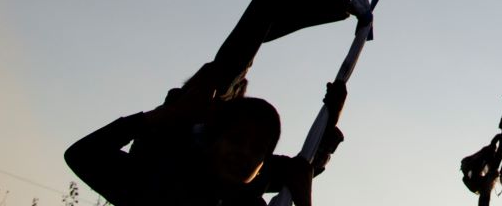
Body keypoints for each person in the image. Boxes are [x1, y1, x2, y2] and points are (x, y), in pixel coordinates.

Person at [65, 62, 345, 206]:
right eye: (236, 140)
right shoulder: (155, 181)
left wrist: (329, 124)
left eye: (257, 149)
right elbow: (83, 155)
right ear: (211, 138)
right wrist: (161, 117)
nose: (243, 153)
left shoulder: (247, 196)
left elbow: (301, 169)